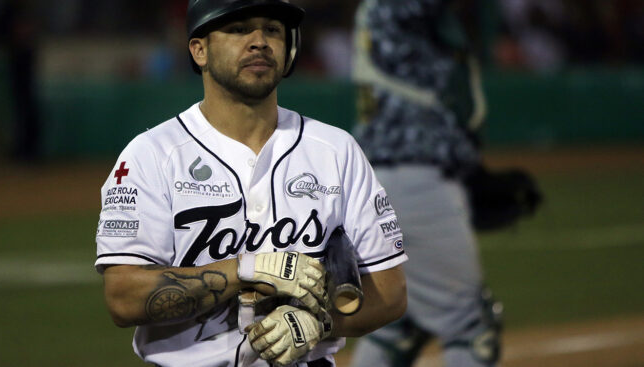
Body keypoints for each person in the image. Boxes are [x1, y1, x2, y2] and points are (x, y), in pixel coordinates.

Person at [94, 1, 408, 366]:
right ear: (199, 50)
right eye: (240, 29)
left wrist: (320, 322)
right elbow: (123, 298)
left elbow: (390, 292)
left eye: (272, 30)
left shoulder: (336, 151)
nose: (260, 41)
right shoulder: (152, 155)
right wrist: (246, 269)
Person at [348, 0, 537, 366]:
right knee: (470, 326)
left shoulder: (384, 14)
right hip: (417, 181)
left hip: (389, 178)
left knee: (398, 325)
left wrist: (468, 168)